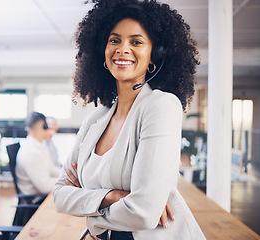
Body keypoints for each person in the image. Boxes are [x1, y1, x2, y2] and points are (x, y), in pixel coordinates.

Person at [53, 0, 205, 239]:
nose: (122, 49)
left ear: (153, 56)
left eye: (136, 42)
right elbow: (60, 195)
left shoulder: (160, 105)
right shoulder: (95, 119)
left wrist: (91, 217)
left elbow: (144, 212)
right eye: (115, 40)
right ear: (102, 52)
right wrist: (113, 195)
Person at [16, 112, 60, 196]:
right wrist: (68, 182)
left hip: (42, 197)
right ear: (44, 127)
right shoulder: (30, 152)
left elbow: (52, 170)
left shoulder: (40, 147)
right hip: (36, 201)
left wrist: (69, 176)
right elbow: (44, 186)